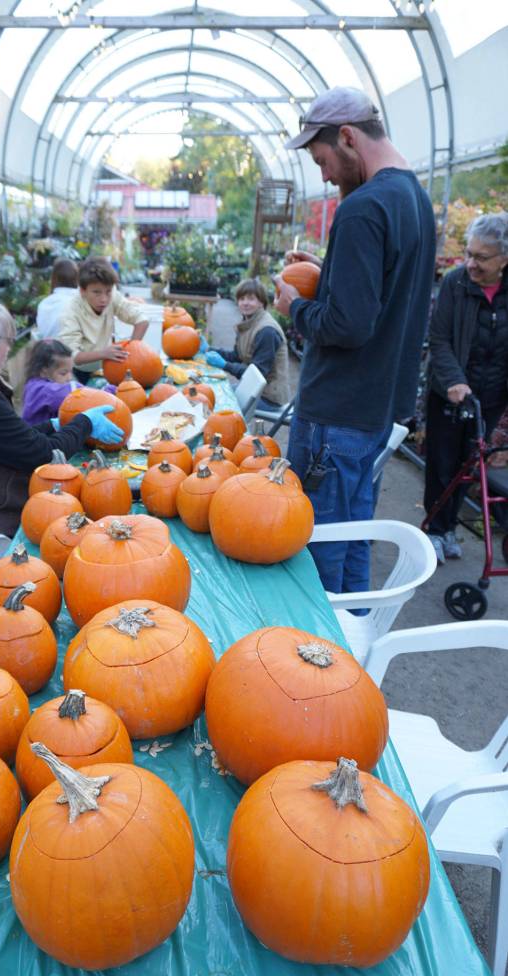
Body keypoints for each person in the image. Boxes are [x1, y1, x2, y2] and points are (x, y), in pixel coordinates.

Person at [274, 86, 436, 600]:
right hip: (372, 411)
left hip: (335, 415)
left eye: (321, 159)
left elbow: (347, 326)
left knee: (317, 547)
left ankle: (317, 660)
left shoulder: (363, 208)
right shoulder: (414, 199)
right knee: (355, 537)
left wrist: (293, 307)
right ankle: (353, 637)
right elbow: (385, 299)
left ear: (347, 137)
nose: (322, 173)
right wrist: (332, 273)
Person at [0, 294, 122, 579]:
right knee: (79, 558)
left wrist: (56, 424)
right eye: (8, 342)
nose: (7, 351)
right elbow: (46, 456)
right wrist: (83, 423)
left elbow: (13, 440)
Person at [423, 212, 508, 563]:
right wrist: (454, 380)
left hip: (490, 397)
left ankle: (448, 528)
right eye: (469, 254)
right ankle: (434, 530)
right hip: (452, 393)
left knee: (469, 462)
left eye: (482, 258)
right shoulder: (456, 284)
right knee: (442, 463)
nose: (471, 263)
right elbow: (439, 339)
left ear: (504, 258)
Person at [201, 278, 289, 411]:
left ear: (261, 302)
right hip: (253, 389)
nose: (245, 303)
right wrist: (208, 349)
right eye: (242, 299)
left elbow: (257, 376)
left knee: (219, 402)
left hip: (269, 397)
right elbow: (237, 356)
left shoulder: (267, 331)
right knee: (212, 391)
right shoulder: (248, 323)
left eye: (251, 299)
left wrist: (224, 365)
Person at [58, 256, 149, 382]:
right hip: (78, 372)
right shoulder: (70, 311)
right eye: (96, 292)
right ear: (83, 291)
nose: (104, 299)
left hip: (107, 367)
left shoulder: (113, 295)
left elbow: (141, 320)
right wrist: (103, 353)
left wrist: (133, 351)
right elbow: (73, 356)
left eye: (108, 292)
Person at [21, 339, 80, 424]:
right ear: (43, 371)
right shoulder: (39, 389)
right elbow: (65, 393)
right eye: (63, 373)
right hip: (38, 436)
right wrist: (91, 393)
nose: (69, 378)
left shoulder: (39, 384)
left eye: (71, 371)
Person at [35, 258, 79, 339]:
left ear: (54, 278)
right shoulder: (83, 302)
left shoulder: (44, 303)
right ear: (77, 278)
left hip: (47, 349)